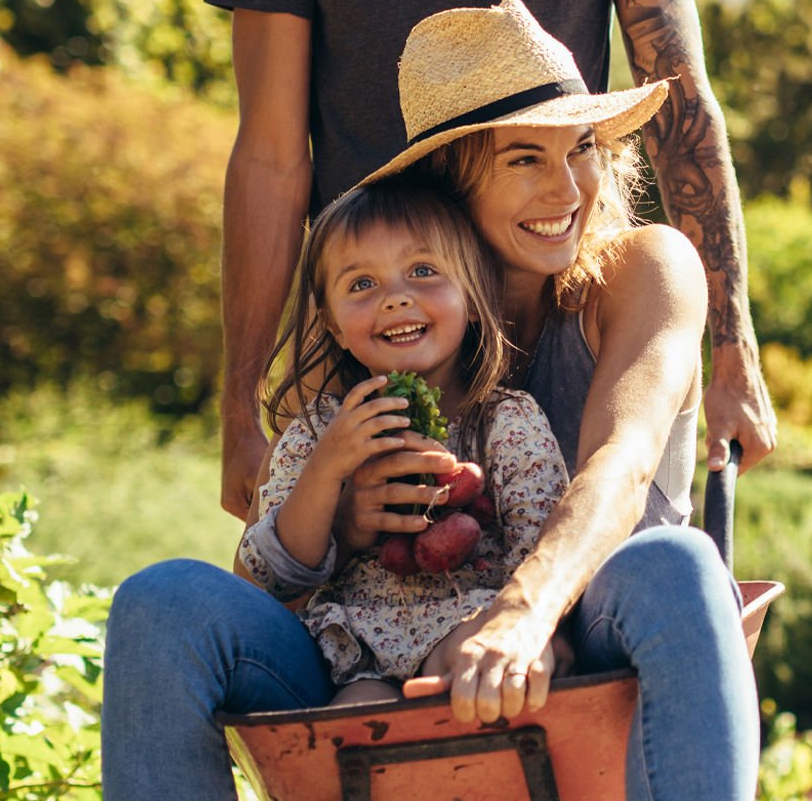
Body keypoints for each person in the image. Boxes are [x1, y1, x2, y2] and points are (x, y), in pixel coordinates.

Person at [103, 0, 757, 799]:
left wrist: (522, 616)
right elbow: (280, 561)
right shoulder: (377, 316)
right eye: (524, 159)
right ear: (451, 180)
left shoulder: (643, 269)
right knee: (160, 601)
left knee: (680, 560)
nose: (567, 189)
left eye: (581, 149)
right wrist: (344, 517)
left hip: (592, 624)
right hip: (373, 658)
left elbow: (618, 464)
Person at [207, 0, 778, 524]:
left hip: (561, 328)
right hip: (380, 337)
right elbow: (270, 157)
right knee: (374, 620)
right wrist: (240, 404)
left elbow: (681, 108)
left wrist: (731, 348)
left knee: (607, 578)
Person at [236, 176, 569, 705]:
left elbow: (545, 547)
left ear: (474, 298)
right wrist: (327, 471)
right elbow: (268, 576)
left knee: (469, 661)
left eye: (423, 271)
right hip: (355, 653)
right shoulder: (319, 432)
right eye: (361, 284)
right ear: (334, 325)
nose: (395, 299)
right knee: (356, 728)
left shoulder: (506, 421)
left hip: (473, 625)